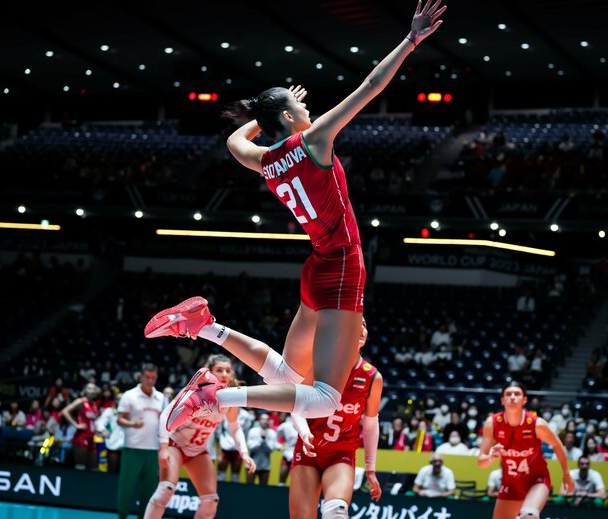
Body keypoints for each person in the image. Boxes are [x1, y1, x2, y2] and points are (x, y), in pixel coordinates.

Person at [143, 0, 447, 429]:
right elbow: (372, 85)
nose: (309, 110)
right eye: (300, 107)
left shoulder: (266, 159)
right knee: (323, 399)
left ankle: (205, 325)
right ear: (291, 116)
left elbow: (234, 141)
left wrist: (265, 123)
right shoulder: (315, 140)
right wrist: (410, 41)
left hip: (319, 266)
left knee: (287, 377)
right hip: (340, 262)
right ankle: (213, 396)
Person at [289, 318, 383, 519]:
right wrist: (305, 432)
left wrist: (370, 469)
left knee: (336, 513)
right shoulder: (318, 365)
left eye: (365, 325)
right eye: (357, 323)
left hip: (341, 454)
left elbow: (371, 425)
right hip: (309, 452)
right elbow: (296, 405)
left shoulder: (372, 377)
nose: (362, 328)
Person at [144, 355, 256, 519]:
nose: (224, 374)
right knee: (165, 490)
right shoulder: (193, 391)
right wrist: (163, 447)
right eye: (219, 370)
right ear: (209, 372)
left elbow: (234, 427)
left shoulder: (231, 398)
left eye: (227, 370)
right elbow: (165, 415)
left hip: (198, 450)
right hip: (176, 444)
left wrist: (244, 453)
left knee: (211, 500)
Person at [478, 381, 574, 519]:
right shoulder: (492, 423)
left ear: (524, 400)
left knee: (529, 516)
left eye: (517, 394)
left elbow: (558, 446)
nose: (512, 397)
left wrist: (566, 474)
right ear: (502, 400)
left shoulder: (537, 424)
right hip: (510, 483)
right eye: (508, 394)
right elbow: (481, 463)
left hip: (536, 480)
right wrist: (490, 457)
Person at [117, 364, 166, 519]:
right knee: (126, 487)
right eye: (147, 377)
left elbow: (164, 422)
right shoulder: (129, 395)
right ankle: (122, 516)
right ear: (141, 377)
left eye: (153, 378)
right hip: (132, 448)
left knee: (149, 489)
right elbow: (120, 419)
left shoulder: (161, 398)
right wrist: (132, 424)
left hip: (153, 450)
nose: (150, 380)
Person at [61, 382, 100, 470]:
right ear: (85, 390)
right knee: (80, 466)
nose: (92, 390)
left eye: (93, 389)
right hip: (81, 436)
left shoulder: (95, 405)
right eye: (89, 388)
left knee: (94, 467)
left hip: (92, 437)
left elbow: (94, 420)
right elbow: (65, 411)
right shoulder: (81, 401)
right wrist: (76, 425)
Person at [247, 412, 280, 485]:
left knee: (263, 489)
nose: (264, 421)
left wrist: (264, 441)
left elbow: (270, 450)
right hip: (252, 464)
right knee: (248, 488)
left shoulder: (272, 433)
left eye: (267, 419)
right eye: (262, 419)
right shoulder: (252, 431)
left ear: (269, 421)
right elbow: (250, 448)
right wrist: (260, 439)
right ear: (259, 420)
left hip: (265, 466)